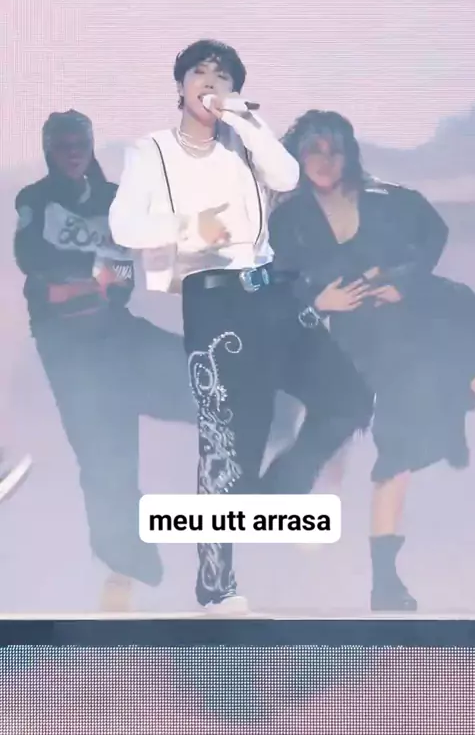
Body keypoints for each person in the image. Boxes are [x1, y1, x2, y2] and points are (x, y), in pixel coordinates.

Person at [109, 40, 373, 614]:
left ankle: (277, 494)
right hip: (215, 301)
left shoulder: (246, 141)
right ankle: (216, 587)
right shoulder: (151, 151)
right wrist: (189, 227)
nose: (210, 82)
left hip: (269, 290)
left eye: (222, 75)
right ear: (180, 84)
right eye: (199, 72)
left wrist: (247, 121)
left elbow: (287, 174)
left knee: (349, 397)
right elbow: (125, 225)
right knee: (226, 448)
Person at [269, 109, 475, 612]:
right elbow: (275, 279)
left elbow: (432, 232)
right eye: (314, 150)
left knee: (412, 431)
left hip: (431, 317)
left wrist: (401, 280)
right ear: (298, 157)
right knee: (357, 429)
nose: (325, 160)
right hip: (361, 339)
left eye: (334, 149)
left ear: (349, 153)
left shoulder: (388, 198)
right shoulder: (288, 220)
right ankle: (378, 573)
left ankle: (385, 581)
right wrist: (319, 300)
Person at [14, 110, 197, 611]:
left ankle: (277, 437)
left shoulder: (114, 200)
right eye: (63, 144)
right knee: (105, 458)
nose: (73, 152)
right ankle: (124, 572)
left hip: (114, 329)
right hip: (67, 347)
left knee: (203, 377)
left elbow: (122, 279)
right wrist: (87, 280)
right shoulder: (35, 200)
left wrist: (82, 283)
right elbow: (35, 267)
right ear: (50, 150)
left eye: (80, 143)